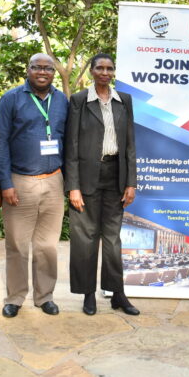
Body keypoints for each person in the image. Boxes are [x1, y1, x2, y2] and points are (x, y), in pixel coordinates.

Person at [0, 53, 68, 318]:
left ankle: (45, 296)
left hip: (54, 179)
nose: (42, 72)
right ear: (28, 70)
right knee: (17, 243)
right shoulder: (11, 99)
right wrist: (4, 183)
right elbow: (1, 143)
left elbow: (67, 140)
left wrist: (68, 182)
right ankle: (15, 297)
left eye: (48, 68)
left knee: (47, 244)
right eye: (37, 67)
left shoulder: (61, 100)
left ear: (54, 73)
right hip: (20, 181)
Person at [65, 53, 139, 316]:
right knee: (85, 239)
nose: (105, 73)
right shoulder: (79, 101)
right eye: (100, 68)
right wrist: (73, 186)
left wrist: (131, 182)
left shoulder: (124, 100)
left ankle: (117, 293)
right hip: (86, 178)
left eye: (109, 68)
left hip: (116, 176)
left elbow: (130, 144)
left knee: (113, 239)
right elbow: (71, 145)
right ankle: (88, 294)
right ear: (92, 71)